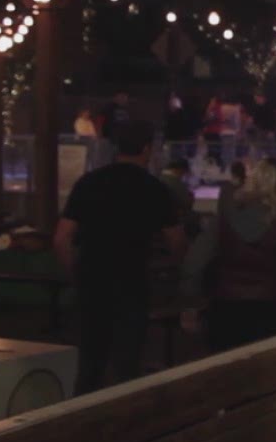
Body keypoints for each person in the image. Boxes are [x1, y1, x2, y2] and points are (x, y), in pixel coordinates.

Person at [54, 120, 185, 393]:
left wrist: (74, 271)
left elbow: (62, 237)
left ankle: (82, 416)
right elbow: (176, 240)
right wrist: (176, 270)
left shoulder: (89, 183)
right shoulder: (154, 189)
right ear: (147, 149)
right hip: (132, 279)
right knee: (128, 360)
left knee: (90, 359)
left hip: (92, 277)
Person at [180, 158, 276, 352]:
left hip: (223, 308)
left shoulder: (226, 214)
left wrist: (191, 302)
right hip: (268, 310)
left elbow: (194, 261)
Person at [159, 157, 198, 237]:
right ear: (180, 170)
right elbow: (187, 203)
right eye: (183, 173)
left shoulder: (158, 177)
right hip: (173, 219)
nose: (183, 175)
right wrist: (191, 198)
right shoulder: (175, 182)